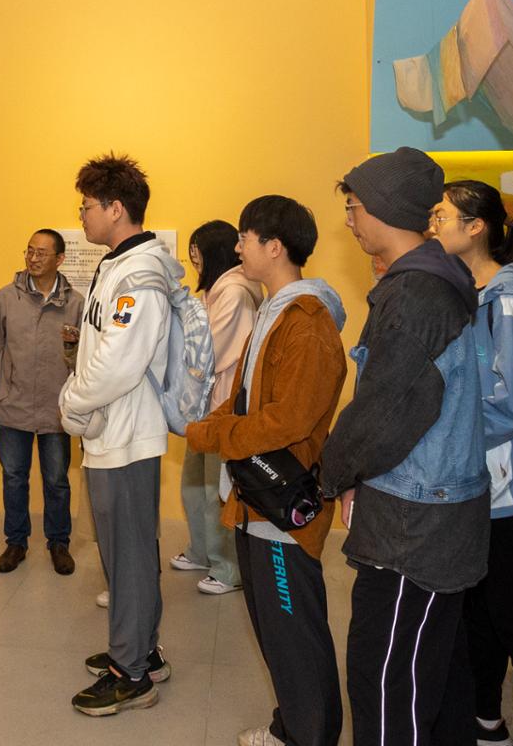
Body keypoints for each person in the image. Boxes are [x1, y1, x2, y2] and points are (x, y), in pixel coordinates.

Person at [322, 147, 489, 746]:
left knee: (388, 682)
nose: (349, 220)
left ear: (385, 209)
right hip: (433, 509)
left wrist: (333, 473)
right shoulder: (438, 279)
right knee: (432, 676)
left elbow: (385, 413)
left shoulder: (416, 294)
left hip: (414, 523)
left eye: (354, 206)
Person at [187, 196, 347, 746]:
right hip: (255, 496)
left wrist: (212, 435)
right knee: (276, 630)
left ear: (274, 247)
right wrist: (211, 423)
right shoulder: (273, 310)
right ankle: (291, 727)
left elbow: (288, 421)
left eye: (245, 238)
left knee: (294, 632)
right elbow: (246, 400)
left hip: (285, 501)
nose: (237, 248)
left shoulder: (307, 323)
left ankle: (308, 736)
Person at [60, 152, 175, 716]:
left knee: (127, 556)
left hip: (125, 436)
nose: (81, 215)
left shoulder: (140, 277)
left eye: (86, 206)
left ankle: (130, 674)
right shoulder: (118, 266)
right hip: (115, 433)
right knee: (130, 552)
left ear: (115, 208)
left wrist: (71, 403)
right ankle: (141, 651)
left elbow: (116, 365)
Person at [429, 180, 513, 746]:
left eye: (442, 216)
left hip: (501, 489)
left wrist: (447, 434)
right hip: (468, 480)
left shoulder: (508, 299)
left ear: (476, 228)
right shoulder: (461, 291)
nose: (433, 225)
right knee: (476, 614)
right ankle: (486, 720)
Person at [0, 228, 84, 575]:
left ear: (60, 259)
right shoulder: (5, 298)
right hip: (12, 403)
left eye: (42, 253)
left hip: (56, 407)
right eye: (29, 251)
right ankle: (16, 542)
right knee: (14, 476)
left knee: (56, 479)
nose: (33, 258)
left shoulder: (75, 303)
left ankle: (59, 543)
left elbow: (81, 354)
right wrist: (14, 373)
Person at [174, 220, 263, 596]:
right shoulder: (217, 291)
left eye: (197, 254)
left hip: (223, 404)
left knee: (217, 489)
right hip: (203, 406)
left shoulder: (235, 293)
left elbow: (210, 351)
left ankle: (228, 568)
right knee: (194, 484)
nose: (194, 262)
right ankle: (201, 551)